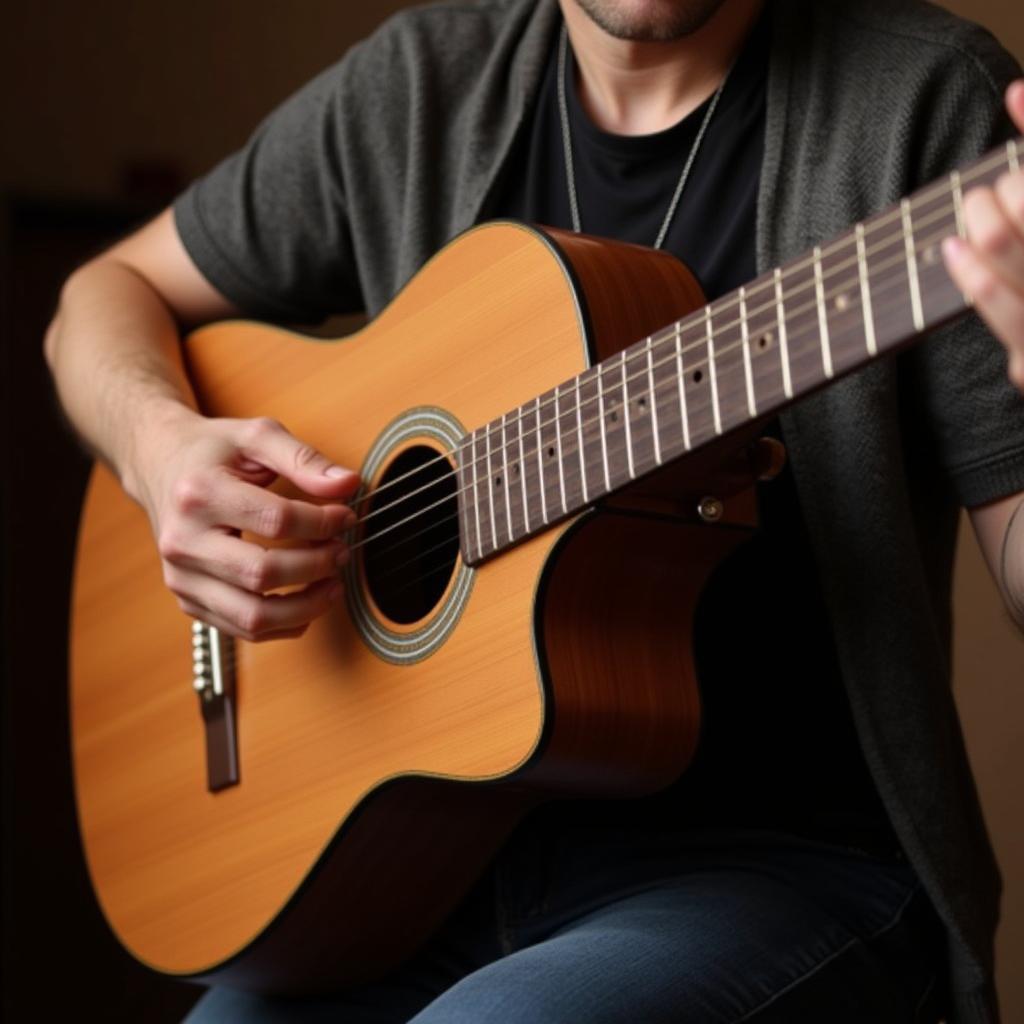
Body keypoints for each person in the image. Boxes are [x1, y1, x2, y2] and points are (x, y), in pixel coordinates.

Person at [44, 0, 1024, 1021]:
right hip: (412, 883)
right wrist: (159, 449)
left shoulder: (925, 100)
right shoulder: (425, 85)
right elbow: (99, 299)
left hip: (778, 873)